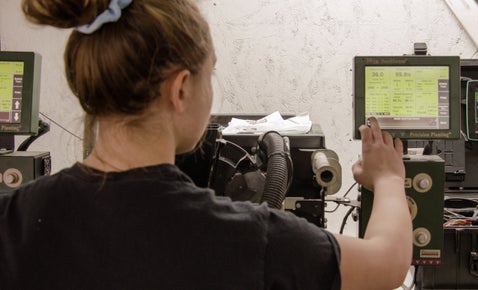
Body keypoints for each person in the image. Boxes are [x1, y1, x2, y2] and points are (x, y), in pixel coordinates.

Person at [0, 0, 412, 289]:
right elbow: (389, 263)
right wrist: (390, 179)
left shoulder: (14, 218)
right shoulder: (250, 239)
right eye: (208, 74)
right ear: (180, 89)